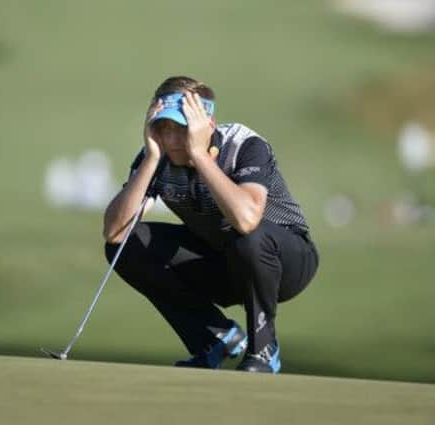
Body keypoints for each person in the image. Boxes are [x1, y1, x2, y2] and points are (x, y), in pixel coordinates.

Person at [102, 76, 319, 373]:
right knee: (125, 247)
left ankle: (263, 349)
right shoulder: (156, 155)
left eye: (183, 129)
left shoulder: (244, 144)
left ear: (208, 124)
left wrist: (199, 156)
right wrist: (151, 158)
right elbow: (115, 232)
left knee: (250, 238)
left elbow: (246, 219)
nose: (173, 140)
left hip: (287, 262)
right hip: (225, 261)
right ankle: (214, 339)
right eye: (163, 128)